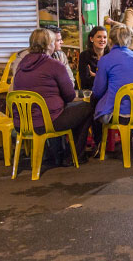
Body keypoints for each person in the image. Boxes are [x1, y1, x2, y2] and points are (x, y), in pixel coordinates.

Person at [12, 28, 93, 163]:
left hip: (22, 123)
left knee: (59, 109)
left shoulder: (21, 64)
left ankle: (56, 153)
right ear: (49, 45)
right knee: (87, 107)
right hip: (46, 122)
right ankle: (73, 156)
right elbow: (69, 96)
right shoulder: (54, 65)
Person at [89, 24, 133, 147]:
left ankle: (100, 143)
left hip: (120, 115)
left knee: (93, 103)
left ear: (110, 40)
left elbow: (98, 91)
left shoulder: (105, 60)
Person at [77, 26, 108, 91]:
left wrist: (95, 76)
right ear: (91, 39)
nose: (102, 40)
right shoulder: (84, 55)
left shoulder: (110, 55)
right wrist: (103, 77)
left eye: (104, 37)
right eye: (99, 37)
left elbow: (114, 79)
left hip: (108, 91)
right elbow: (85, 81)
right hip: (91, 92)